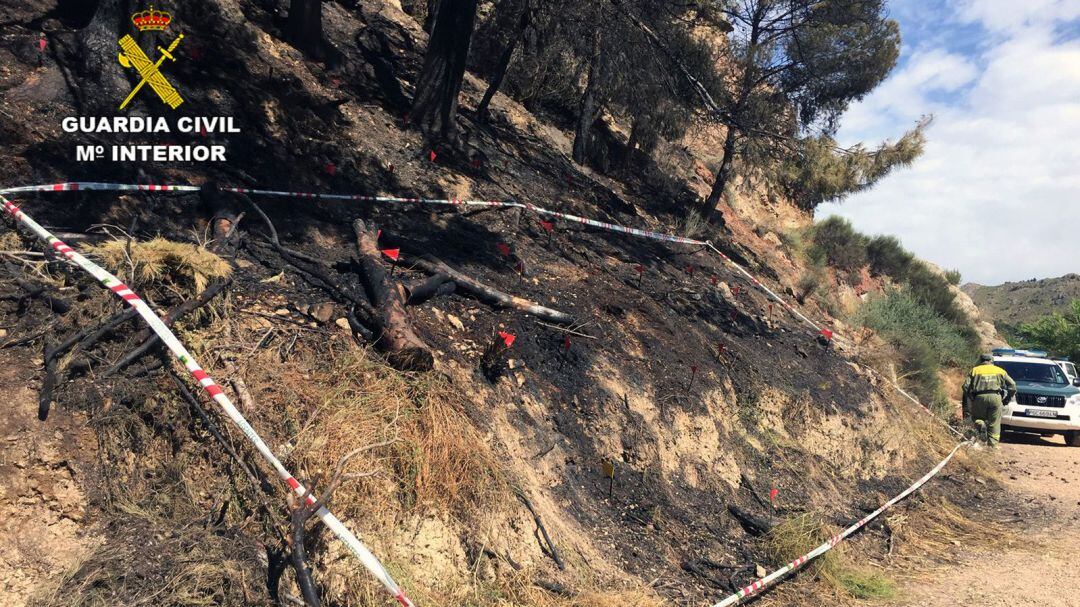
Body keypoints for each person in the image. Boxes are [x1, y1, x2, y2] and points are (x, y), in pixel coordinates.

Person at [961, 353, 1016, 446]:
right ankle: (993, 446)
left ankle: (980, 424)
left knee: (977, 418)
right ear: (992, 361)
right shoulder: (1000, 371)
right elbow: (1013, 385)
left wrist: (971, 397)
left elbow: (965, 386)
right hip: (995, 397)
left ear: (981, 361)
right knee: (994, 423)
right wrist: (1007, 398)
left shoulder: (975, 370)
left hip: (980, 397)